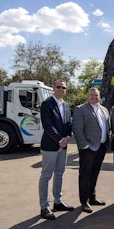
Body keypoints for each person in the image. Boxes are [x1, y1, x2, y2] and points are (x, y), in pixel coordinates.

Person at [38, 80, 74, 220]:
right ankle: (44, 206)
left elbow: (68, 124)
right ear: (54, 88)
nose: (61, 89)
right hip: (50, 146)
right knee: (46, 175)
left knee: (59, 174)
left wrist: (67, 137)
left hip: (63, 146)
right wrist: (60, 140)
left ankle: (57, 202)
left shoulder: (66, 105)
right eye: (58, 87)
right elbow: (47, 125)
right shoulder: (47, 104)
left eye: (63, 87)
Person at [72, 87, 110, 213]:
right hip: (88, 149)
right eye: (92, 95)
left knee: (94, 174)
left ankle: (92, 197)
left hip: (101, 148)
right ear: (88, 96)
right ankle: (84, 201)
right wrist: (85, 146)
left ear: (100, 96)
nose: (94, 97)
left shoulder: (104, 110)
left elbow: (106, 127)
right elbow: (77, 129)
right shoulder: (80, 109)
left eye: (96, 95)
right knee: (85, 175)